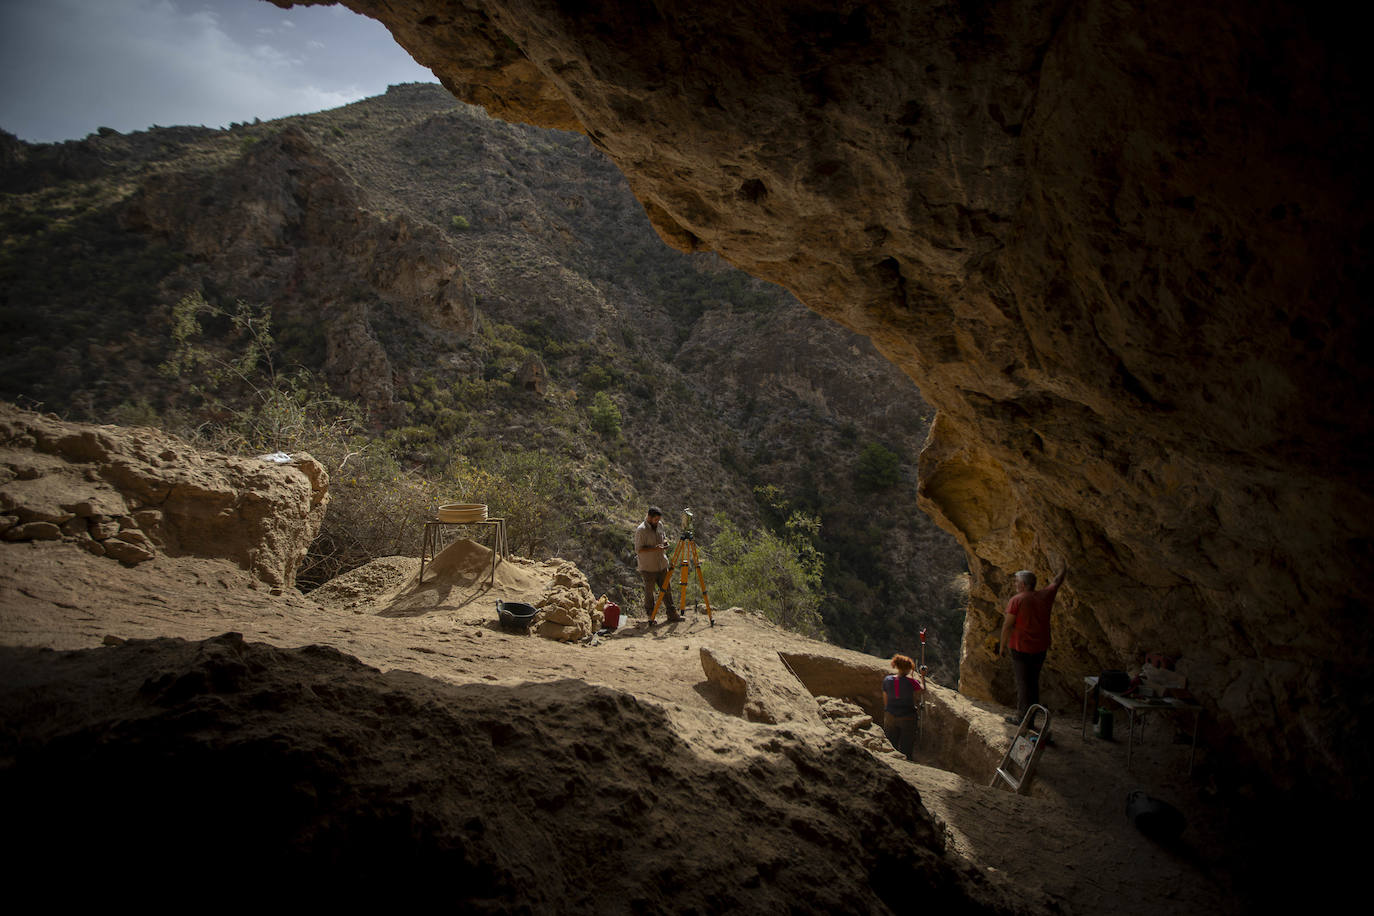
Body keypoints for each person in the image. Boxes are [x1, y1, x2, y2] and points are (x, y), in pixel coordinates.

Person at [998, 565, 1068, 726]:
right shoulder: (1045, 595)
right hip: (1040, 648)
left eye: (1016, 582)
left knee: (1023, 684)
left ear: (1023, 585)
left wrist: (1002, 647)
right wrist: (1063, 567)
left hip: (1021, 648)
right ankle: (1031, 717)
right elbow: (1057, 582)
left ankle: (1023, 719)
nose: (1015, 585)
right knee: (1033, 682)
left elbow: (1007, 626)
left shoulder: (1017, 600)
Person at [633, 507, 679, 622]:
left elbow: (663, 538)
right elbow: (639, 549)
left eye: (658, 519)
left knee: (667, 589)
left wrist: (665, 543)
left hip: (662, 564)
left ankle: (672, 614)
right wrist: (654, 548)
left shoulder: (660, 525)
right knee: (649, 593)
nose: (657, 521)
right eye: (655, 519)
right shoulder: (641, 530)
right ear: (649, 517)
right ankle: (651, 616)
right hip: (648, 567)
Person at [882, 654, 922, 759]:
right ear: (908, 668)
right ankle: (906, 762)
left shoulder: (887, 680)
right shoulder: (911, 681)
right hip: (907, 715)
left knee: (890, 741)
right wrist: (922, 676)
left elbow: (885, 698)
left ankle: (891, 760)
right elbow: (922, 690)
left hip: (890, 714)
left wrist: (888, 711)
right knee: (906, 743)